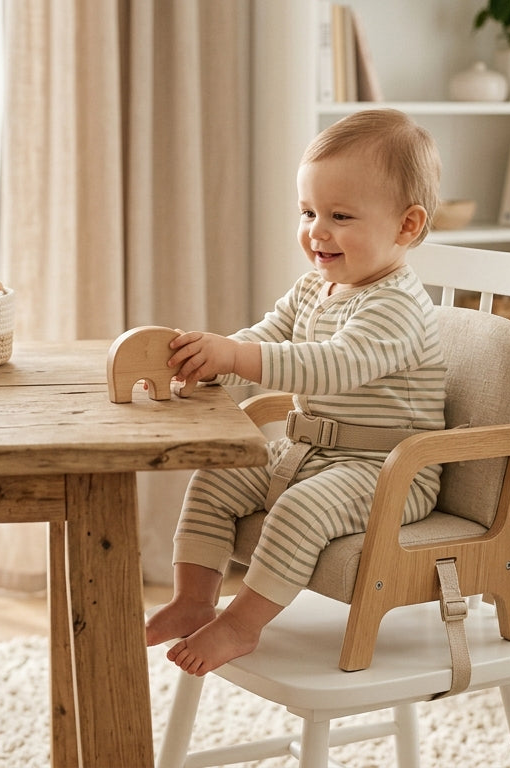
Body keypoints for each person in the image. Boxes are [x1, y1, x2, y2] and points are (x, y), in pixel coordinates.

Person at [144, 108, 447, 676]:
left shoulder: (399, 306)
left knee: (301, 510)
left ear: (406, 226)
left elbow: (332, 366)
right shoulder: (315, 286)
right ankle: (193, 599)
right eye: (308, 212)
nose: (317, 231)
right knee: (215, 478)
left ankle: (242, 623)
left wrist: (236, 357)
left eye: (340, 216)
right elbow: (266, 337)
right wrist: (212, 362)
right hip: (309, 452)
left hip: (388, 471)